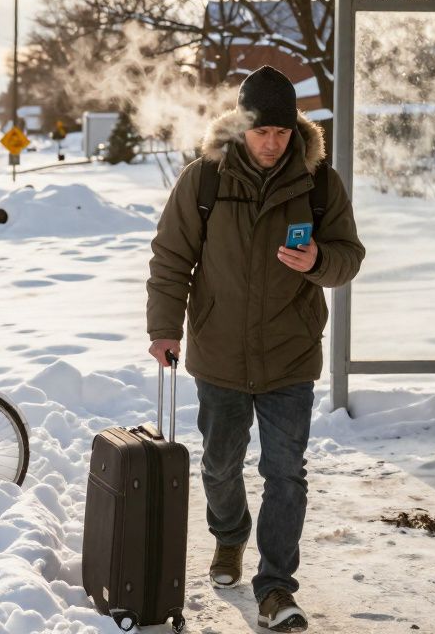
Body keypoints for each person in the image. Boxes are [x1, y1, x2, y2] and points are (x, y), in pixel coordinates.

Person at [145, 65, 365, 632]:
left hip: (289, 354)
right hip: (219, 351)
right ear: (242, 126)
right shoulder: (205, 180)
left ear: (295, 129)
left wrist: (319, 261)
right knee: (219, 466)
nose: (273, 143)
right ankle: (229, 536)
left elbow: (349, 255)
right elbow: (172, 259)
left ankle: (275, 587)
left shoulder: (319, 184)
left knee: (285, 471)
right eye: (262, 131)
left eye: (283, 132)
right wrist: (164, 329)